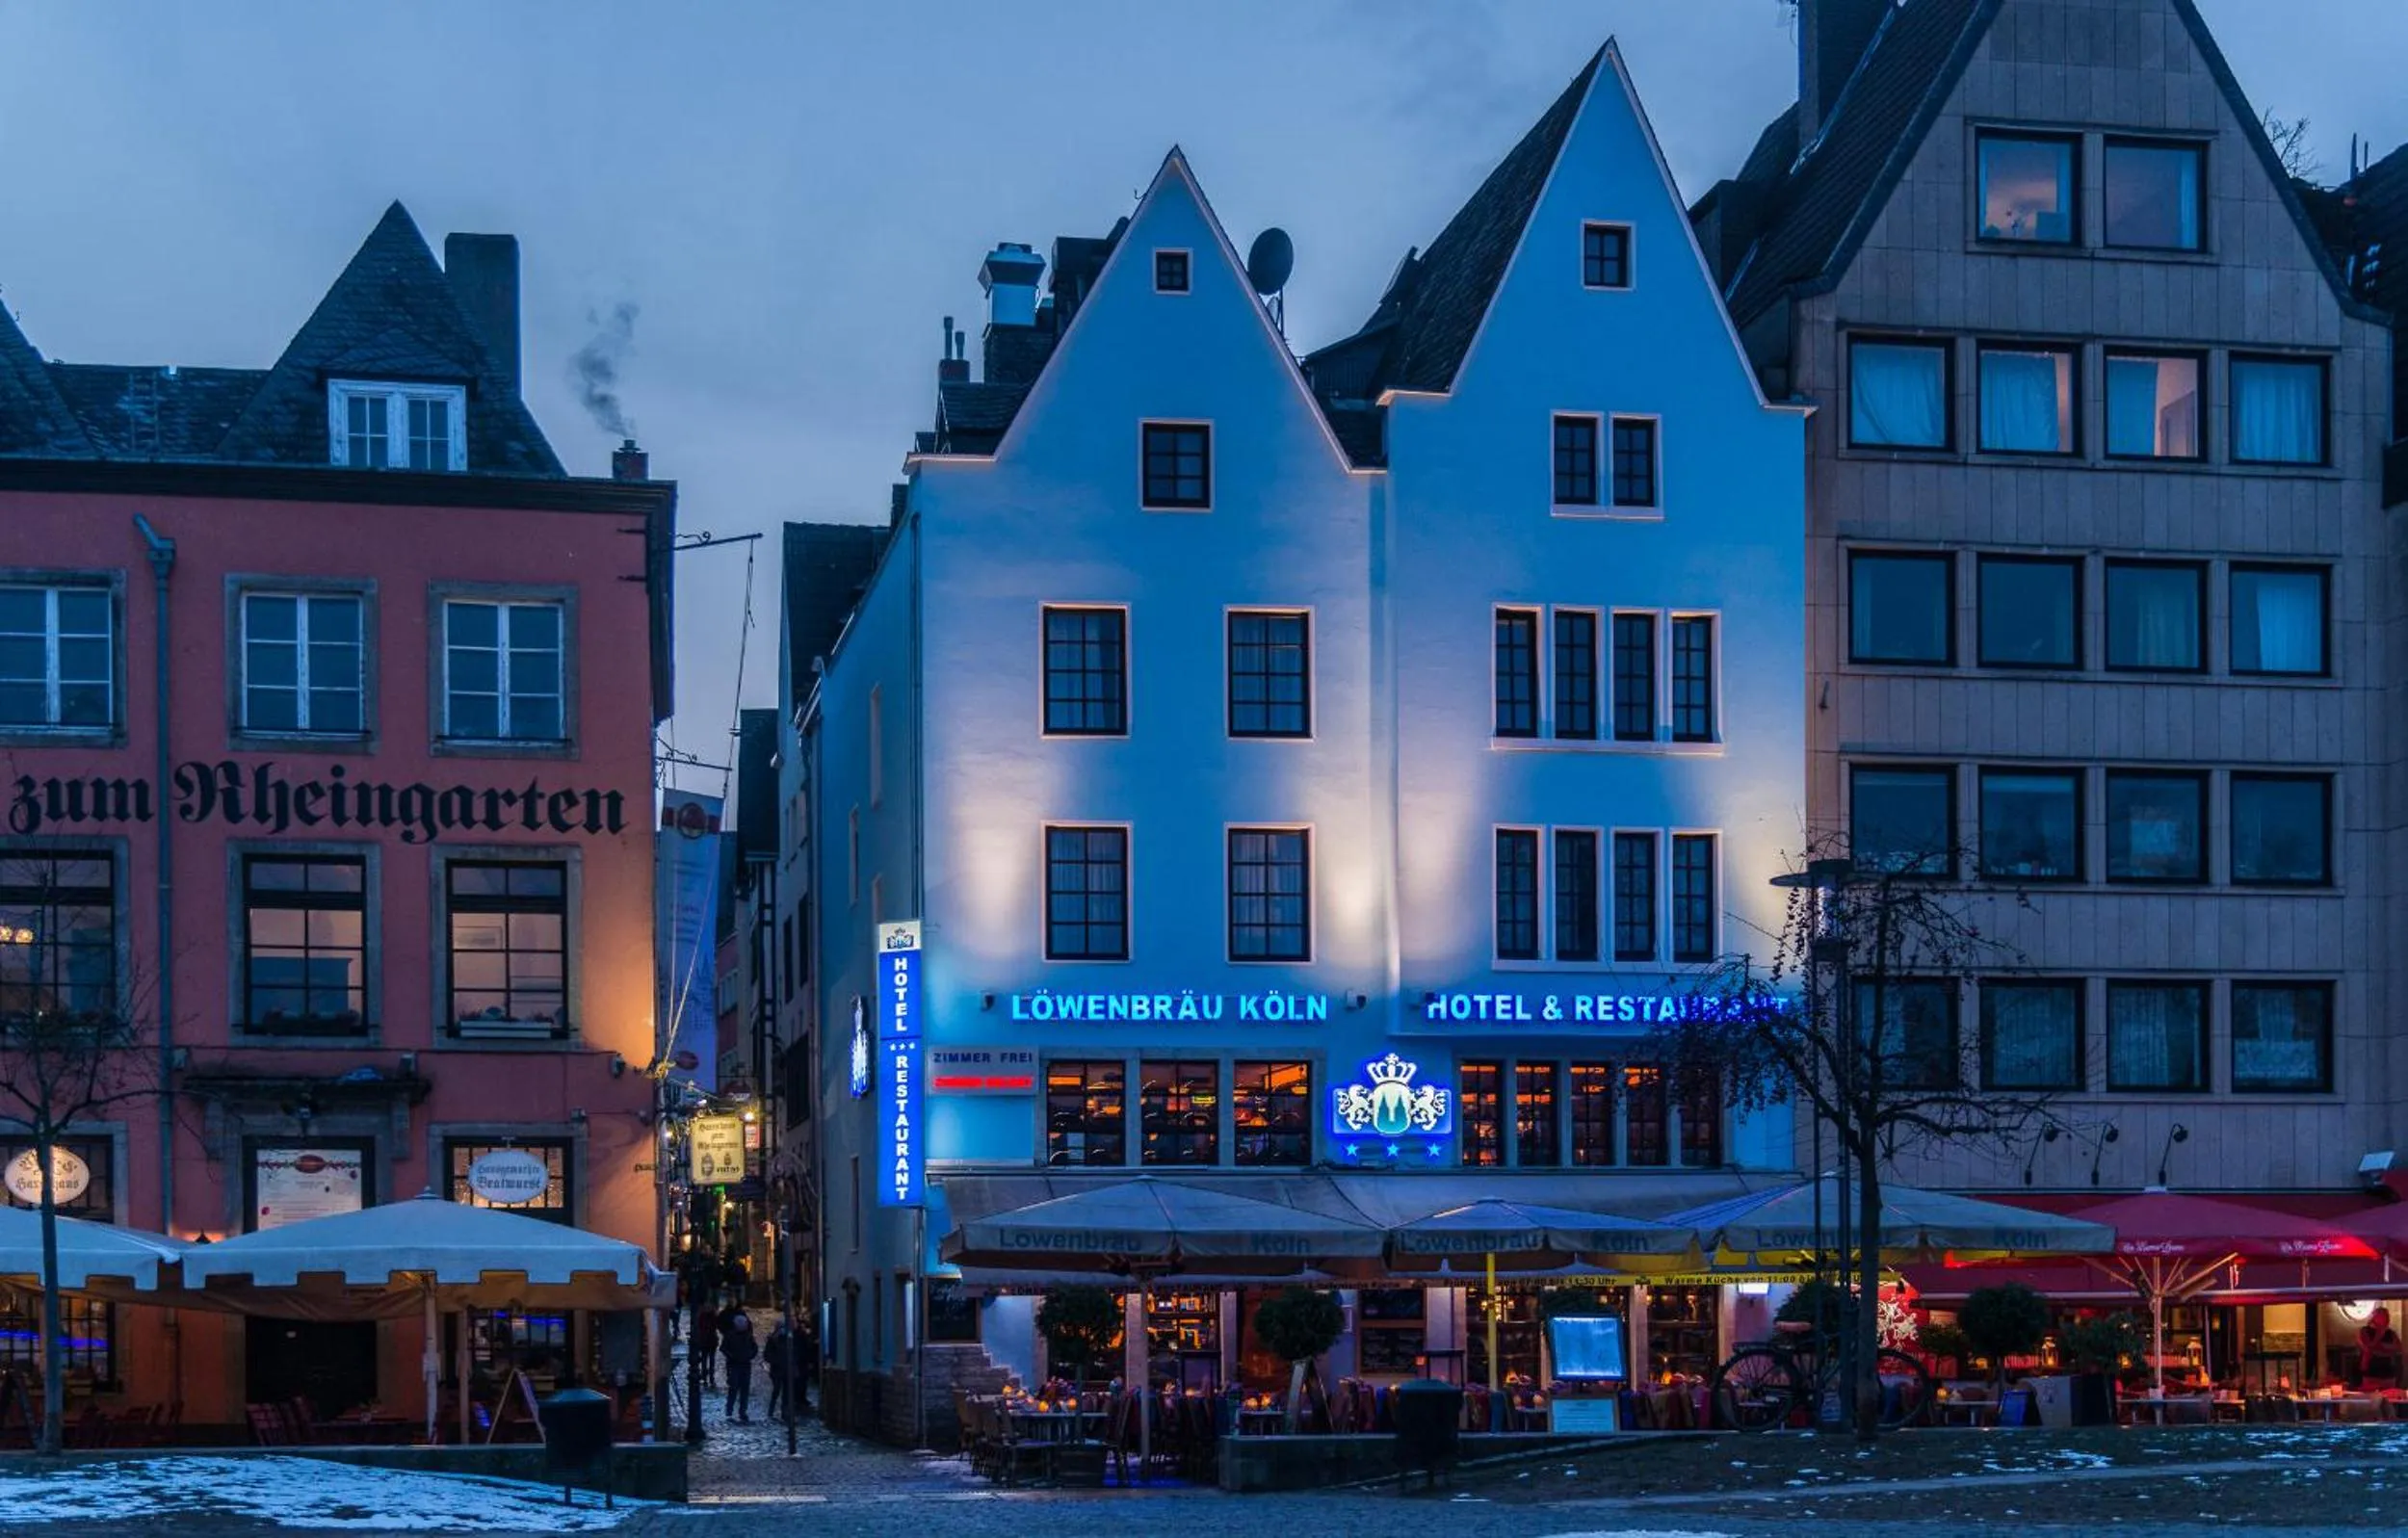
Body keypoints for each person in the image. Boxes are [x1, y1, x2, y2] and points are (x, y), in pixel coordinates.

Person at [721, 1307, 758, 1422]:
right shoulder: (730, 1335)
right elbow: (723, 1348)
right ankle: (730, 1409)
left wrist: (750, 1355)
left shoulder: (748, 1336)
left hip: (745, 1364)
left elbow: (755, 1348)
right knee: (734, 1387)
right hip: (734, 1365)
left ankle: (742, 1411)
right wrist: (732, 1356)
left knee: (744, 1389)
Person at [2359, 1306, 2403, 1388]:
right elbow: (2368, 1348)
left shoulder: (2391, 1333)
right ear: (2375, 1317)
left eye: (2387, 1316)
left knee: (2390, 1397)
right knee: (2371, 1396)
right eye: (2384, 1316)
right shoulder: (2365, 1330)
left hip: (2388, 1372)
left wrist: (2380, 1347)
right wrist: (2379, 1335)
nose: (2387, 1319)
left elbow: (2398, 1348)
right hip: (2371, 1372)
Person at [764, 1318, 795, 1421]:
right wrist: (776, 1360)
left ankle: (785, 1413)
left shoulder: (789, 1339)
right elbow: (767, 1355)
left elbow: (795, 1353)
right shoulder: (773, 1340)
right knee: (776, 1390)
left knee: (786, 1392)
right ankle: (771, 1411)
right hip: (777, 1370)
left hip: (787, 1370)